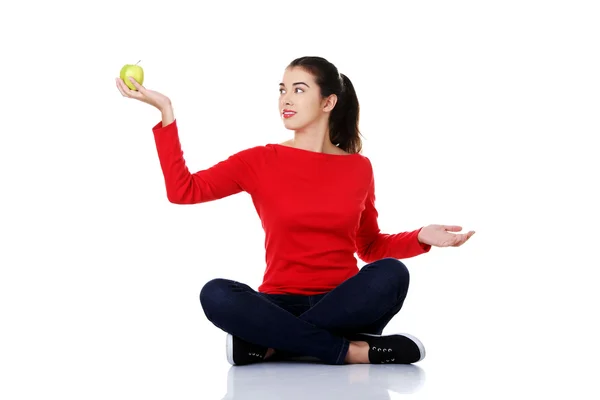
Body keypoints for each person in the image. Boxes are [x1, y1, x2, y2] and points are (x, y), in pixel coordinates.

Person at [115, 56, 475, 367]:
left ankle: (272, 345)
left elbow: (368, 247)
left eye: (298, 90)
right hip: (276, 303)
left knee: (392, 274)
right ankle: (349, 351)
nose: (285, 100)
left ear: (328, 102)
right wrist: (166, 112)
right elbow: (184, 191)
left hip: (343, 302)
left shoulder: (359, 168)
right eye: (282, 89)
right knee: (217, 293)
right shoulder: (261, 160)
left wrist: (419, 238)